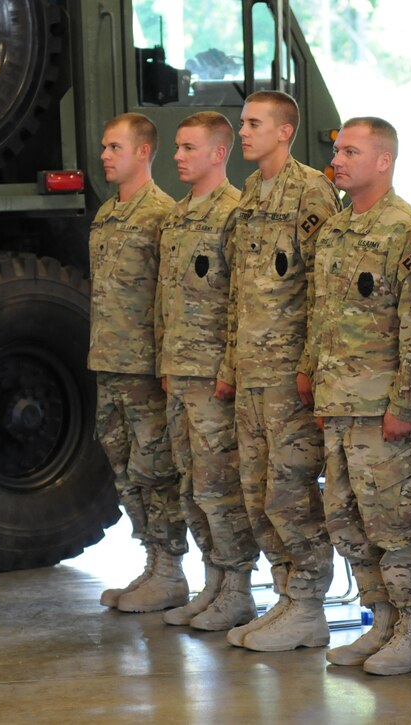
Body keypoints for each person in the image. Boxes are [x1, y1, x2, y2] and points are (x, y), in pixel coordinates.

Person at [306, 117, 411, 675]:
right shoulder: (334, 230)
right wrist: (315, 380)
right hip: (338, 404)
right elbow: (321, 315)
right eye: (337, 150)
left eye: (350, 151)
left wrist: (405, 405)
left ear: (383, 161)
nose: (337, 160)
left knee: (397, 522)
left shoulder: (407, 230)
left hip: (382, 409)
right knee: (345, 519)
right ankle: (380, 619)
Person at [218, 90, 341, 652]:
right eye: (241, 124)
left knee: (290, 491)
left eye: (254, 124)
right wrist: (229, 364)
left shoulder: (310, 190)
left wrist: (311, 365)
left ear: (285, 131)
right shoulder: (250, 191)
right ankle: (287, 594)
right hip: (251, 370)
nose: (243, 133)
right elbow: (239, 288)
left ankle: (310, 602)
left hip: (289, 371)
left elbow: (323, 287)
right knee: (257, 492)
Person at [155, 112, 261, 631]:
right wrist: (164, 363)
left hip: (214, 376)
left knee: (220, 487)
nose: (178, 156)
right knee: (192, 487)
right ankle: (213, 581)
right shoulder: (175, 217)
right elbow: (166, 300)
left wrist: (227, 369)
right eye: (177, 147)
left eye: (189, 148)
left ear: (218, 154)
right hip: (180, 370)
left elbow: (241, 301)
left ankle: (238, 587)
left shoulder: (234, 214)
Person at [89, 113, 187, 613]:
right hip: (110, 363)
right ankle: (152, 561)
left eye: (114, 147)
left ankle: (171, 569)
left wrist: (166, 363)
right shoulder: (106, 215)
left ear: (143, 152)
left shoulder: (162, 217)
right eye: (104, 147)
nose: (105, 155)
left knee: (155, 469)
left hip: (147, 368)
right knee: (125, 470)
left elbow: (170, 298)